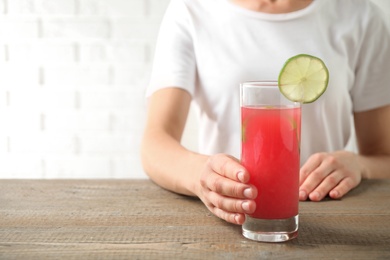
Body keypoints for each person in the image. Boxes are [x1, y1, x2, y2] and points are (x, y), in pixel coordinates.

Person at [141, 0, 390, 225]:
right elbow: (155, 143)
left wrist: (359, 165)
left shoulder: (360, 16)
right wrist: (202, 176)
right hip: (230, 215)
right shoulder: (191, 10)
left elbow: (383, 156)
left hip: (332, 214)